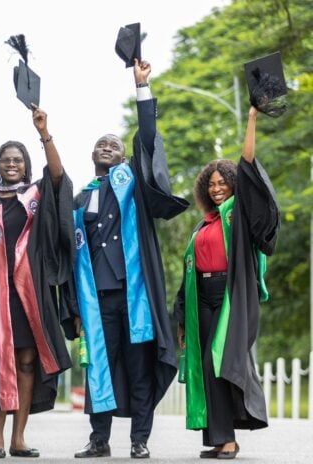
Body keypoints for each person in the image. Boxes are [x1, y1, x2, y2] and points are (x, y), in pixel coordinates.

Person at [63, 58, 188, 459]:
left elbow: (147, 140)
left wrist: (142, 89)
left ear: (122, 156)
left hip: (135, 297)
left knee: (138, 370)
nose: (107, 147)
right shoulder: (80, 198)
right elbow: (71, 254)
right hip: (97, 299)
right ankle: (99, 440)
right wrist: (75, 308)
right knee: (98, 368)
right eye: (101, 144)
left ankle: (139, 440)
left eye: (114, 145)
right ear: (92, 154)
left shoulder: (134, 183)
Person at [0, 105, 73, 459]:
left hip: (29, 294)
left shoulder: (35, 197)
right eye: (6, 160)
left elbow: (58, 178)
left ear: (26, 166)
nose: (12, 164)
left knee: (26, 361)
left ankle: (18, 438)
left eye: (18, 160)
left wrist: (44, 134)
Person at [173, 106, 278, 459]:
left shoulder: (239, 214)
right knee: (206, 367)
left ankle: (229, 438)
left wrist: (252, 119)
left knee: (216, 362)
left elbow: (248, 166)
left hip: (231, 296)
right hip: (201, 298)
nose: (217, 188)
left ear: (233, 185)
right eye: (212, 184)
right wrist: (181, 317)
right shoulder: (204, 224)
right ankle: (220, 439)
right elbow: (189, 272)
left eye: (223, 183)